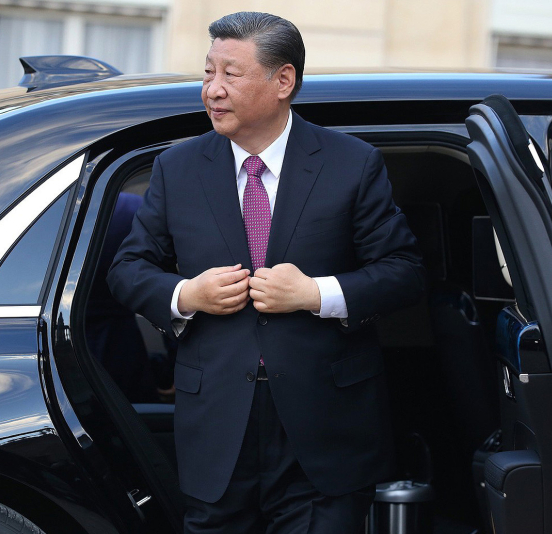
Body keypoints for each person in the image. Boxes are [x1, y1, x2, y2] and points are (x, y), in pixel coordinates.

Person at [108, 11, 425, 533]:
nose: (212, 89)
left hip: (324, 428)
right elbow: (127, 269)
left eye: (230, 74)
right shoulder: (177, 167)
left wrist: (315, 293)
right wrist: (187, 294)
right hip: (216, 425)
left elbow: (404, 272)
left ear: (283, 81)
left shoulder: (351, 163)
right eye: (208, 72)